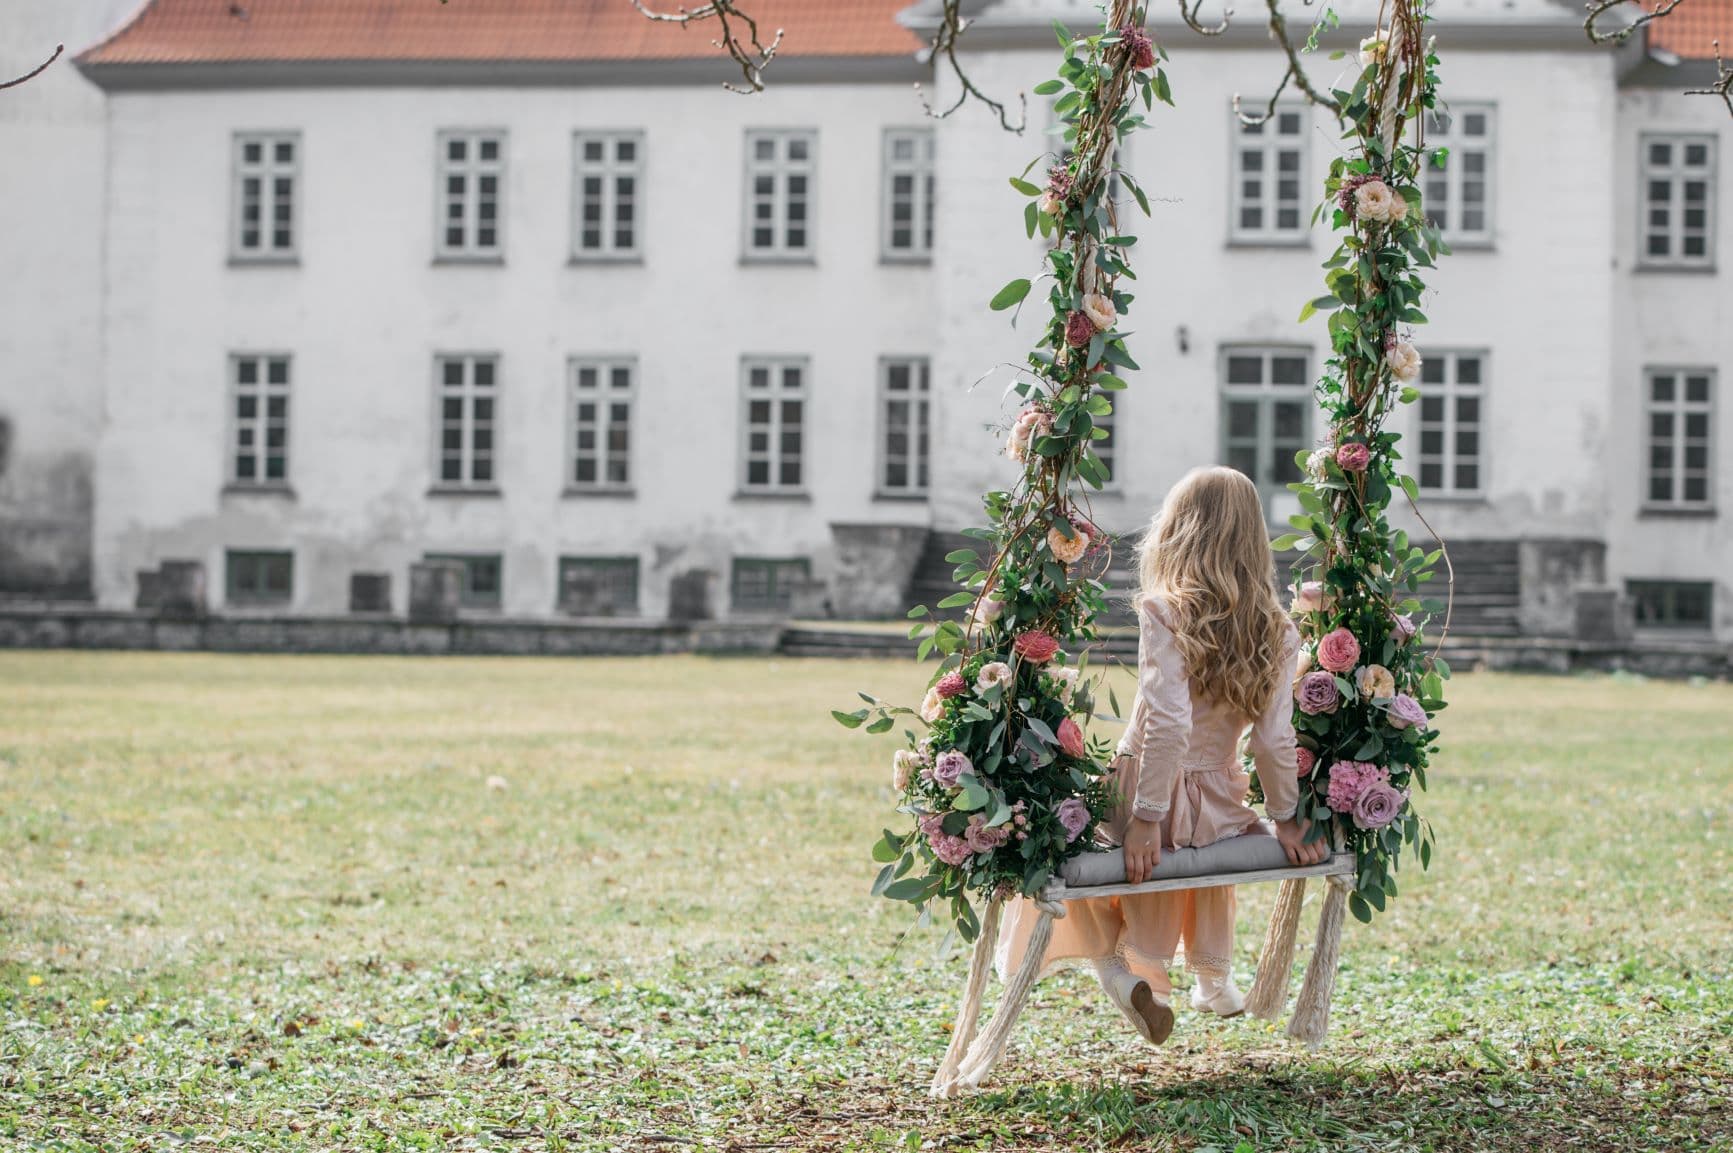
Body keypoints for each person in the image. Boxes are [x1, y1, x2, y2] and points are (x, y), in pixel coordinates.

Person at [996, 466, 1328, 1044]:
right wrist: (1285, 819)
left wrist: (1148, 817)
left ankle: (1122, 978)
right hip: (1221, 799)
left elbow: (1169, 723)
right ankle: (1212, 981)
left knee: (1082, 851)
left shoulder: (1166, 611)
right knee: (1208, 841)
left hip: (1145, 788)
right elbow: (1274, 740)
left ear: (1178, 530)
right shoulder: (1278, 628)